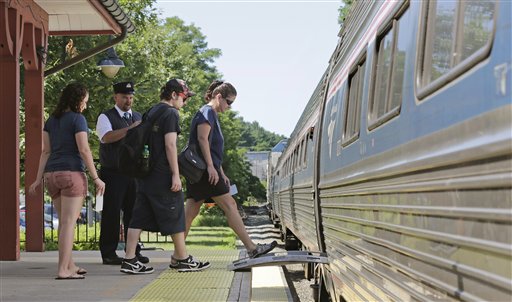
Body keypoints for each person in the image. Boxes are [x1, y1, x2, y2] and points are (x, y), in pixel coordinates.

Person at [121, 79, 210, 274]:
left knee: (138, 217)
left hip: (145, 173)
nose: (184, 102)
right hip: (162, 173)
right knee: (176, 213)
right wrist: (176, 175)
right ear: (174, 95)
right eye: (184, 97)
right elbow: (170, 144)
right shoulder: (170, 113)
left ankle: (129, 259)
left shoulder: (152, 111)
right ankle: (182, 258)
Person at [184, 80, 277, 259]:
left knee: (191, 212)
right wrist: (212, 168)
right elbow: (202, 139)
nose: (230, 106)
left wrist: (221, 171)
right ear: (218, 97)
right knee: (230, 205)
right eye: (229, 102)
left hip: (207, 170)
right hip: (205, 171)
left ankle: (177, 255)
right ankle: (252, 248)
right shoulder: (207, 112)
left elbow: (212, 147)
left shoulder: (211, 114)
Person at [29, 82, 106, 280]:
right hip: (72, 174)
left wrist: (38, 179)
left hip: (52, 176)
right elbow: (84, 149)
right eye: (85, 102)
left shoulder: (51, 121)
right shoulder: (77, 120)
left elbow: (45, 151)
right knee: (69, 223)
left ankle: (70, 265)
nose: (86, 106)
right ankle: (63, 269)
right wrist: (96, 178)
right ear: (77, 100)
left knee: (65, 224)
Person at [95, 82, 148, 265]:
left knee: (134, 213)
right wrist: (131, 129)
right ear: (115, 97)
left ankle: (133, 251)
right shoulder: (106, 116)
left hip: (133, 173)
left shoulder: (138, 116)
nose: (128, 100)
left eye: (131, 97)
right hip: (113, 173)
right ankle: (109, 253)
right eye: (125, 97)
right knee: (111, 213)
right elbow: (106, 137)